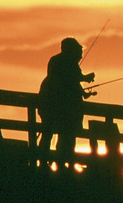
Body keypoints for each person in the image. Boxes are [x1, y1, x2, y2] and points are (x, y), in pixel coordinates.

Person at [37, 37, 94, 166]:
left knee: (48, 133)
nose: (80, 57)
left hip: (47, 103)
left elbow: (70, 81)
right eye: (79, 54)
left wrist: (83, 92)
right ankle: (63, 164)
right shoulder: (68, 62)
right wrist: (86, 78)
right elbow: (72, 79)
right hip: (62, 108)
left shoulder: (55, 60)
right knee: (65, 136)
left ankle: (45, 162)